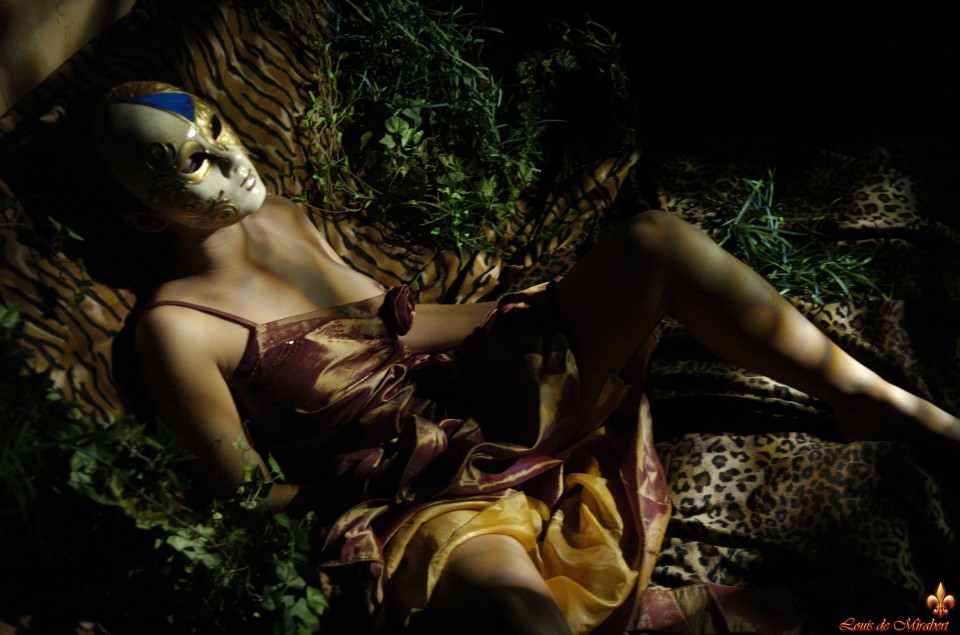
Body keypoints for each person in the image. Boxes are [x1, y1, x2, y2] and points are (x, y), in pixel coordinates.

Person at [95, 81, 960, 635]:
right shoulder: (177, 328)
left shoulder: (283, 216)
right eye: (192, 161)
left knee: (653, 242)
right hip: (405, 491)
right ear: (141, 216)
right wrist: (394, 478)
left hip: (473, 395)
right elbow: (245, 498)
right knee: (520, 614)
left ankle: (872, 398)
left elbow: (394, 331)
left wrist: (548, 304)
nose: (229, 158)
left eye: (217, 126)